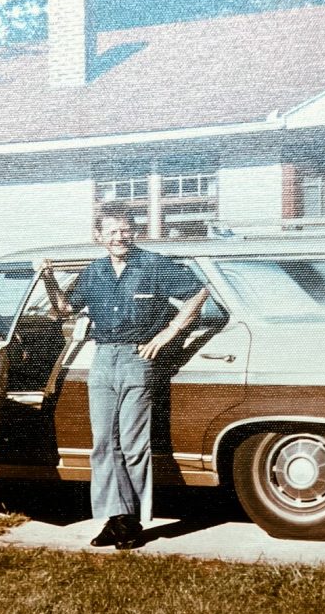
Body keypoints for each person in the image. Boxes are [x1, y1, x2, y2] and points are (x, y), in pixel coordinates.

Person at [40, 202, 209, 549]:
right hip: (102, 357)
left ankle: (131, 521)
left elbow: (199, 292)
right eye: (112, 231)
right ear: (99, 236)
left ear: (135, 231)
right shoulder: (93, 271)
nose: (119, 237)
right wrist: (48, 278)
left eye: (125, 230)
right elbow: (64, 310)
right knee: (104, 443)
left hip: (137, 357)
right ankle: (114, 517)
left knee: (133, 444)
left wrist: (166, 335)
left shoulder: (154, 264)